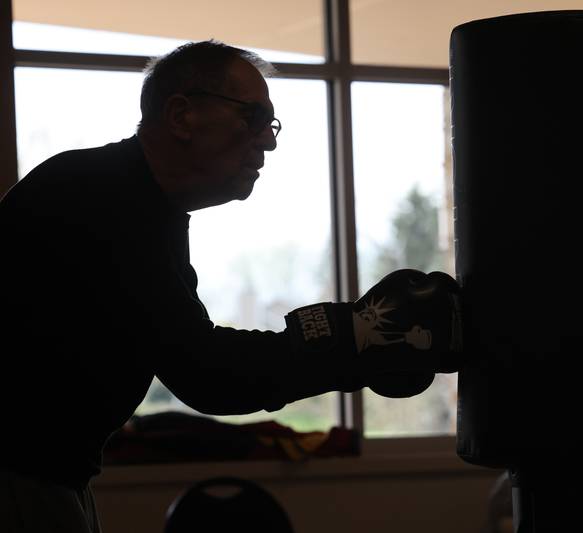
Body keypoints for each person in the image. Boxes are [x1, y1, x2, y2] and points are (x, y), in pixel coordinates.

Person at [0, 40, 462, 533]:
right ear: (181, 116)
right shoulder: (100, 197)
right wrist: (358, 335)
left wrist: (355, 340)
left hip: (49, 474)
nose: (269, 141)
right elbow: (208, 372)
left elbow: (197, 359)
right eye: (252, 117)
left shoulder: (145, 207)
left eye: (272, 124)